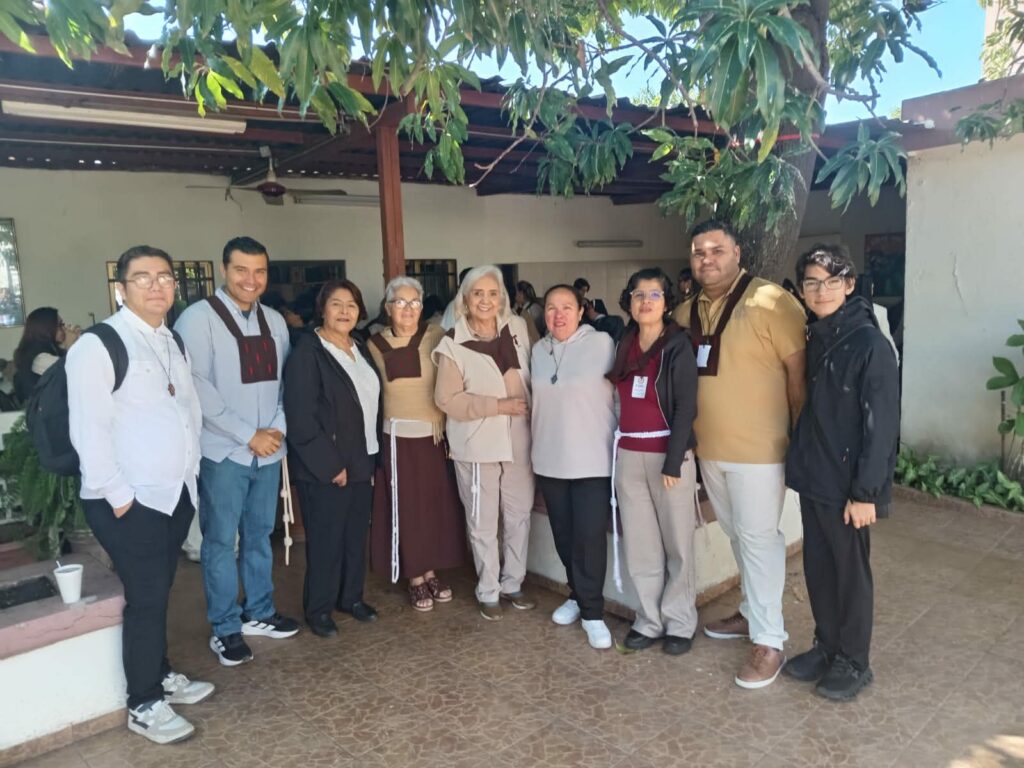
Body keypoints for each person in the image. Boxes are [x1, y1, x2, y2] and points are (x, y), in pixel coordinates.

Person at [66, 245, 212, 744]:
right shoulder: (99, 344)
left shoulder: (171, 339)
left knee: (160, 588)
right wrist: (120, 496)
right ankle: (144, 703)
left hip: (174, 493)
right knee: (146, 597)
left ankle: (160, 673)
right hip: (130, 500)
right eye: (143, 277)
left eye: (165, 277)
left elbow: (187, 410)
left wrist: (191, 473)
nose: (156, 286)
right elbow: (89, 430)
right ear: (121, 288)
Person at [674, 219, 807, 689]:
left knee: (758, 539)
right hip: (709, 449)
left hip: (761, 451)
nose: (706, 258)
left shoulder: (772, 301)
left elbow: (798, 375)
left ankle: (769, 641)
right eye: (699, 252)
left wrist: (800, 439)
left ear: (737, 253)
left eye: (717, 250)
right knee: (736, 534)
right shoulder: (685, 312)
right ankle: (751, 611)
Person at [174, 236, 299, 668]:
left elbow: (286, 382)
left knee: (260, 535)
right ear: (225, 270)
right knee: (221, 541)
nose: (251, 279)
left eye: (259, 271)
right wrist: (248, 434)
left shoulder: (275, 321)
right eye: (241, 270)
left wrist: (277, 430)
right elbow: (197, 388)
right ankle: (225, 626)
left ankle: (259, 611)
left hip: (269, 451)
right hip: (224, 453)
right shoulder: (197, 319)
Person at [783, 245, 899, 701]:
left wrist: (868, 493)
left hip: (849, 485)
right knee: (818, 568)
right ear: (802, 289)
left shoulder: (869, 344)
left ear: (849, 285)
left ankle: (854, 660)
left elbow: (881, 425)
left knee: (850, 574)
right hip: (815, 476)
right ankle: (827, 645)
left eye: (832, 281)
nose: (821, 291)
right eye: (812, 282)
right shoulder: (816, 336)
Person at [433, 265, 536, 620]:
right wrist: (498, 406)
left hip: (520, 437)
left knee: (519, 514)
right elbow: (446, 400)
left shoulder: (517, 328)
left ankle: (513, 583)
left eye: (493, 293)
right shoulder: (452, 342)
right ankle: (489, 589)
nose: (486, 300)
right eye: (478, 293)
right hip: (477, 444)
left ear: (503, 298)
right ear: (464, 299)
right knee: (482, 521)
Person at [607, 269, 700, 656]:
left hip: (668, 456)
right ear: (628, 301)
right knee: (641, 544)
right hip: (629, 455)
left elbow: (686, 406)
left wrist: (674, 461)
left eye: (654, 295)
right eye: (638, 294)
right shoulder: (624, 342)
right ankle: (648, 619)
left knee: (677, 543)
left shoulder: (677, 344)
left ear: (667, 302)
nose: (646, 301)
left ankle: (679, 621)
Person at [283, 279, 381, 637]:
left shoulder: (359, 347)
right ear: (322, 309)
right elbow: (300, 417)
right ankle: (319, 608)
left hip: (363, 458)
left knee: (355, 535)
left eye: (351, 305)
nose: (344, 311)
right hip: (327, 466)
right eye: (336, 304)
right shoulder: (308, 352)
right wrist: (329, 465)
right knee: (326, 541)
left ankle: (350, 598)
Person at [367, 276, 465, 611]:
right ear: (388, 307)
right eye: (400, 302)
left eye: (414, 302)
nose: (407, 309)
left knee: (433, 508)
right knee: (405, 509)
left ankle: (431, 571)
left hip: (433, 439)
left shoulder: (438, 336)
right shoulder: (373, 345)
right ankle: (414, 577)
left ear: (422, 307)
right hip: (395, 440)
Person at [530, 284, 616, 649]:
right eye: (551, 308)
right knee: (564, 535)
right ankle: (577, 595)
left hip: (591, 459)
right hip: (549, 459)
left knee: (589, 537)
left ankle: (593, 612)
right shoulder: (538, 350)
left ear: (581, 311)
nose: (558, 314)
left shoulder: (602, 344)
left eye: (567, 307)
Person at [12, 307, 81, 401]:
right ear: (46, 329)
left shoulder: (50, 347)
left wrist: (76, 341)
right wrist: (70, 345)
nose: (64, 328)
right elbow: (70, 373)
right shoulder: (39, 357)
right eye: (60, 325)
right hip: (45, 406)